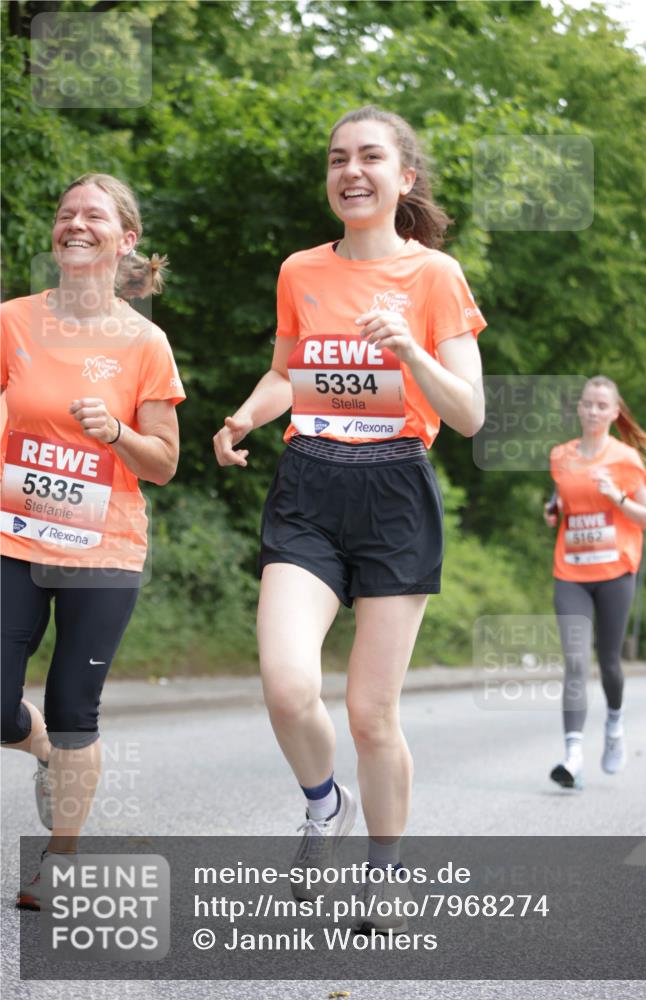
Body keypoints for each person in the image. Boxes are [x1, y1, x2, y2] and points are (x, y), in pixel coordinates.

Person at [214, 106, 485, 931]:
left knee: (371, 713)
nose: (351, 171)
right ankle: (320, 803)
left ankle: (384, 870)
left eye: (371, 157)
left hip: (395, 493)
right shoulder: (301, 270)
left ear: (405, 178)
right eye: (338, 158)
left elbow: (469, 414)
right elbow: (286, 374)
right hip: (308, 485)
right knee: (287, 683)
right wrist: (243, 417)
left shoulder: (435, 276)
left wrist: (408, 349)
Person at [1, 173, 185, 908]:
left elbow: (164, 463)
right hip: (12, 539)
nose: (75, 224)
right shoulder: (11, 321)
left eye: (94, 215)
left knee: (77, 704)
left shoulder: (144, 341)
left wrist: (117, 434)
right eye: (65, 213)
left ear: (125, 239)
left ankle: (59, 858)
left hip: (102, 552)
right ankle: (39, 747)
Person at [545, 375, 646, 790]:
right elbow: (561, 499)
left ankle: (614, 724)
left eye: (602, 405)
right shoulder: (560, 455)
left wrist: (616, 496)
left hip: (615, 571)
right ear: (579, 409)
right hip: (571, 571)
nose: (593, 410)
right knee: (576, 661)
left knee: (609, 661)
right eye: (588, 404)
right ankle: (573, 756)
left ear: (614, 413)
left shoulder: (626, 459)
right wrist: (553, 510)